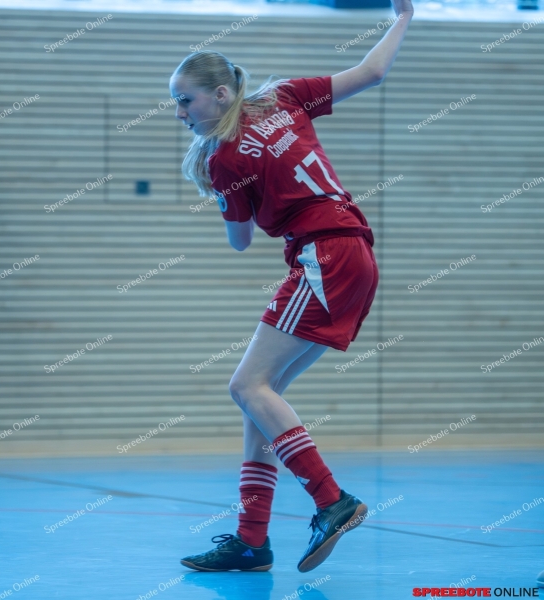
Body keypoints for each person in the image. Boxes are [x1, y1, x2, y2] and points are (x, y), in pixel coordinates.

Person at [173, 0, 413, 573]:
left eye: (186, 100)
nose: (179, 112)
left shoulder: (225, 156)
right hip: (352, 251)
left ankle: (332, 500)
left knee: (247, 386)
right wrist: (403, 18)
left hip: (323, 254)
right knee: (258, 398)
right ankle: (252, 540)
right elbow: (371, 73)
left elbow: (238, 243)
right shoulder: (283, 96)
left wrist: (219, 193)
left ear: (221, 95)